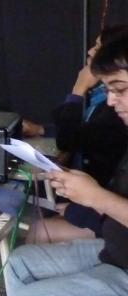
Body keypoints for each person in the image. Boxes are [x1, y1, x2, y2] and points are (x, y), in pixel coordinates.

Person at [5, 34, 128, 296]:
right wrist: (88, 193)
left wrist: (95, 197)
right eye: (109, 90)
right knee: (20, 263)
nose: (111, 100)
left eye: (120, 90)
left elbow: (71, 139)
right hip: (116, 253)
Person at [26, 25, 128, 244]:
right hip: (106, 221)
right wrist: (41, 130)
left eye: (98, 47)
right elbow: (88, 133)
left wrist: (79, 88)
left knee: (38, 232)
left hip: (108, 228)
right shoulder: (106, 102)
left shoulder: (115, 114)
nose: (91, 51)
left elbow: (70, 139)